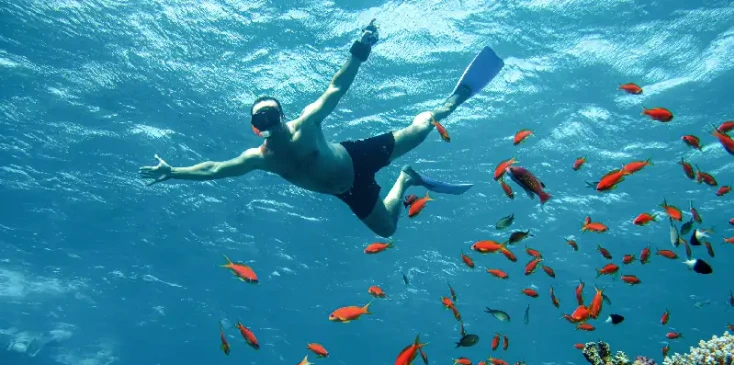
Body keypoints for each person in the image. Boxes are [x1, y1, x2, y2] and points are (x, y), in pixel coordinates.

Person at [140, 20, 503, 237]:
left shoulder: (307, 123)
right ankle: (406, 178)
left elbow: (335, 87)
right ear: (256, 128)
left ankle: (450, 102)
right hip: (347, 192)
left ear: (282, 115)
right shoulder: (259, 158)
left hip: (358, 156)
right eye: (260, 120)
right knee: (388, 230)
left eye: (272, 115)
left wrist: (360, 49)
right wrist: (174, 172)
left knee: (422, 131)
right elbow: (216, 169)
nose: (268, 123)